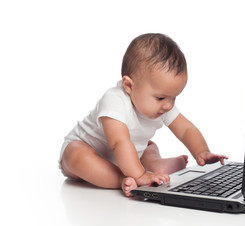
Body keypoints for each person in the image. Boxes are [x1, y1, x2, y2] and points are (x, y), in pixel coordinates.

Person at [59, 33, 228, 196]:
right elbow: (119, 143)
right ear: (129, 85)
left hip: (129, 157)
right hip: (89, 153)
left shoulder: (161, 105)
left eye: (174, 98)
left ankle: (155, 165)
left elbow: (185, 129)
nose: (168, 105)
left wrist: (201, 151)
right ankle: (121, 178)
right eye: (161, 97)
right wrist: (139, 176)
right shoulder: (114, 101)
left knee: (148, 146)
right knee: (75, 154)